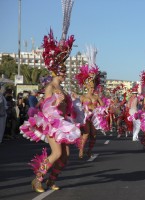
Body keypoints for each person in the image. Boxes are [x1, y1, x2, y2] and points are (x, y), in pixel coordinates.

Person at [19, 2, 80, 192]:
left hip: (62, 123)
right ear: (55, 72)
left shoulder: (61, 88)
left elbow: (66, 108)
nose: (64, 75)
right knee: (57, 152)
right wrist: (57, 102)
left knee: (65, 156)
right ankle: (37, 179)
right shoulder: (51, 87)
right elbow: (45, 107)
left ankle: (51, 180)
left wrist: (70, 107)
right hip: (52, 125)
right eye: (62, 72)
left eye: (64, 72)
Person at [75, 46, 106, 159]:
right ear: (87, 86)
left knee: (93, 135)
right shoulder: (83, 97)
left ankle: (89, 150)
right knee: (86, 134)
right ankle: (81, 150)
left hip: (94, 118)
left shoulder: (97, 96)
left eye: (94, 86)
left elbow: (103, 106)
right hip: (85, 118)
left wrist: (102, 108)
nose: (92, 88)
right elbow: (77, 107)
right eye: (91, 86)